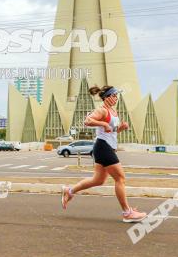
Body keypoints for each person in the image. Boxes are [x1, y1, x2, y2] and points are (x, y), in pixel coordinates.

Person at [61, 85, 147, 222]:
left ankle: (69, 191)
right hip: (103, 146)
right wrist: (103, 123)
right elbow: (87, 121)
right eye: (114, 96)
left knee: (98, 180)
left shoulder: (114, 111)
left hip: (107, 147)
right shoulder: (102, 110)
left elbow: (112, 130)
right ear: (106, 97)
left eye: (116, 96)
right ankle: (127, 213)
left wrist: (121, 128)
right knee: (120, 178)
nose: (116, 98)